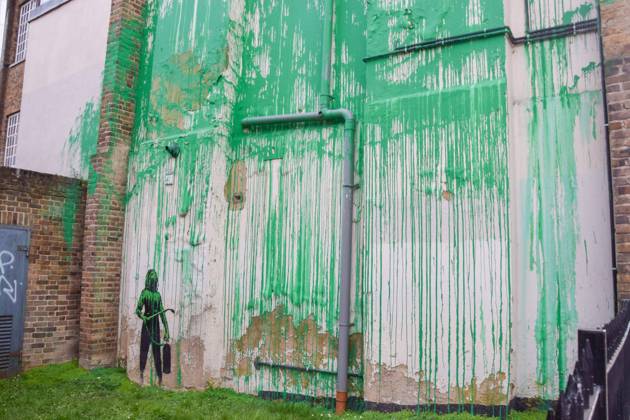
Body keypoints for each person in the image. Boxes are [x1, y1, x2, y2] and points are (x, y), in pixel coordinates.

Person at [135, 269, 170, 385]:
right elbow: (138, 310)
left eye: (155, 282)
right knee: (144, 350)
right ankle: (141, 374)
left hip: (155, 324)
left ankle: (159, 377)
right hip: (147, 324)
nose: (154, 283)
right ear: (149, 281)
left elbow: (162, 314)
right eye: (152, 281)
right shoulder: (144, 293)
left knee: (157, 353)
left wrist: (167, 330)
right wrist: (143, 317)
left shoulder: (157, 295)